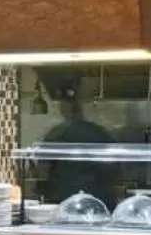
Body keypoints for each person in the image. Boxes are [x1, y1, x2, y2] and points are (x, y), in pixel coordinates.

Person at [36, 74, 122, 207]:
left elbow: (42, 169)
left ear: (65, 110)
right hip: (98, 200)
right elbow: (115, 169)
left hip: (63, 201)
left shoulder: (56, 133)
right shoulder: (99, 132)